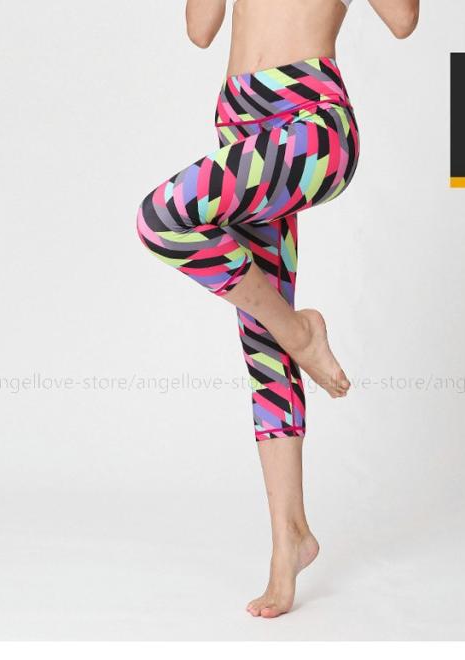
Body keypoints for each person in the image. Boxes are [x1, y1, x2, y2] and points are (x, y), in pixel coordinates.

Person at [136, 0, 419, 618]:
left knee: (162, 218)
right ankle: (290, 538)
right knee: (263, 339)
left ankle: (299, 332)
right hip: (238, 120)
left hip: (310, 119)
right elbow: (200, 31)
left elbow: (403, 20)